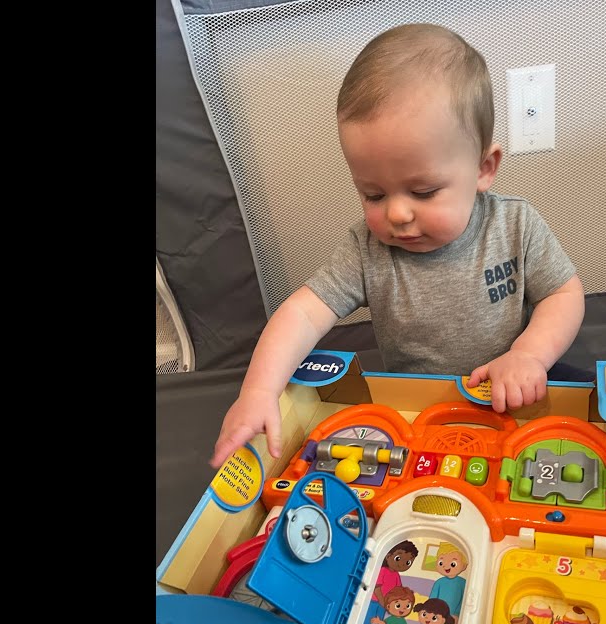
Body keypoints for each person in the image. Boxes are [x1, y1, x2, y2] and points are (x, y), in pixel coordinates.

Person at [210, 22, 585, 470]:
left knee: (592, 421)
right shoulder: (366, 249)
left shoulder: (515, 224)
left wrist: (529, 355)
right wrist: (258, 390)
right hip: (416, 410)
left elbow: (563, 293)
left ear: (484, 168)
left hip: (516, 391)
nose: (398, 214)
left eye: (423, 192)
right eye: (373, 194)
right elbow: (303, 314)